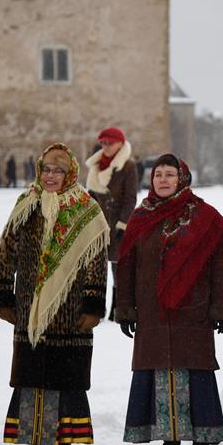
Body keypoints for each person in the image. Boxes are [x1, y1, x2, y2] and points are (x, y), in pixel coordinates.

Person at [0, 143, 109, 445]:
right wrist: (3, 294)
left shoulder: (87, 209)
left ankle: (66, 443)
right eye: (46, 169)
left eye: (58, 171)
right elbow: (7, 253)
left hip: (71, 312)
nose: (51, 176)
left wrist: (94, 304)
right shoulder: (26, 205)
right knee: (34, 377)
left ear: (70, 173)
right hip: (30, 309)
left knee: (67, 377)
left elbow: (97, 261)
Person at [116, 154, 223, 445]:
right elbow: (126, 265)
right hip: (152, 312)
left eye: (170, 174)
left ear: (182, 178)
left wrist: (221, 307)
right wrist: (125, 307)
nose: (163, 180)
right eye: (158, 175)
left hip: (194, 311)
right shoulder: (141, 217)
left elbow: (220, 265)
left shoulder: (205, 216)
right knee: (159, 375)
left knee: (196, 376)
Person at [85, 127, 139, 322]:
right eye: (103, 143)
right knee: (95, 267)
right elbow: (91, 196)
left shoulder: (128, 166)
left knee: (118, 267)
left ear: (120, 144)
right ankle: (96, 307)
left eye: (110, 143)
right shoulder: (96, 165)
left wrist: (123, 224)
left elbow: (130, 198)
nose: (106, 147)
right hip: (98, 223)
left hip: (118, 224)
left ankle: (119, 307)